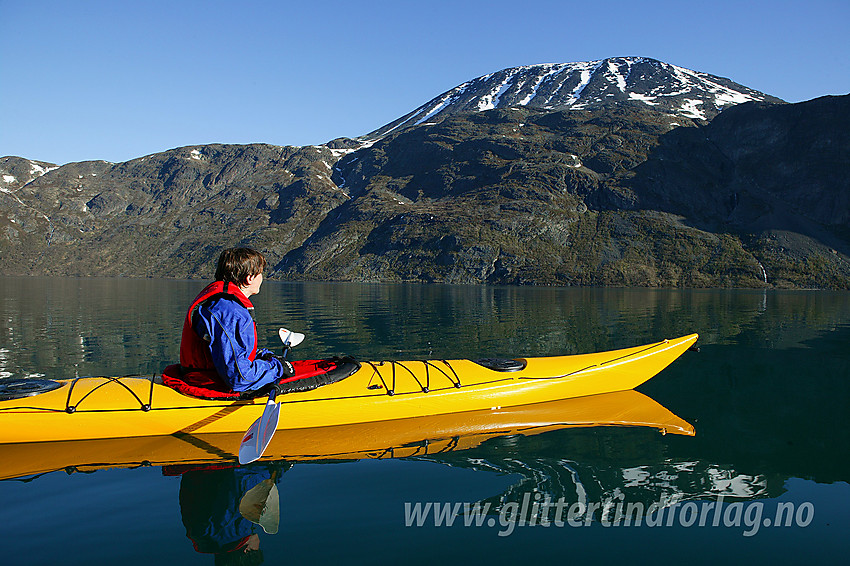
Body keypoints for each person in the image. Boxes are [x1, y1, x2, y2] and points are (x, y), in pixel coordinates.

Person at [169, 247, 293, 397]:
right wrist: (277, 368)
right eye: (260, 273)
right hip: (210, 385)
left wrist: (264, 357)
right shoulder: (231, 312)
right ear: (250, 278)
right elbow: (239, 377)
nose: (262, 278)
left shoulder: (221, 303)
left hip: (200, 377)